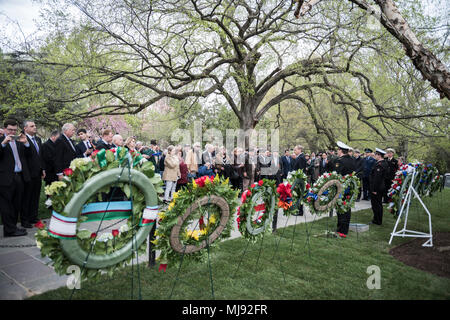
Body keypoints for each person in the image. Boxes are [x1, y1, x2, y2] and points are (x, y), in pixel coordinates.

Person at [0, 119, 32, 237]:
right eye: (10, 130)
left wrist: (26, 143)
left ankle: (12, 228)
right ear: (4, 129)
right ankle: (9, 230)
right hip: (5, 178)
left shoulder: (18, 141)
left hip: (19, 177)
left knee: (16, 204)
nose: (12, 132)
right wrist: (3, 143)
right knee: (6, 206)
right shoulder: (1, 141)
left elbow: (28, 156)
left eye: (14, 130)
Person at [22, 120, 45, 228]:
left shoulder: (38, 139)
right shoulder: (22, 139)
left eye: (35, 125)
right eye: (32, 126)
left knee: (35, 196)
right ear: (25, 128)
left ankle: (33, 217)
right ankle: (25, 220)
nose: (35, 127)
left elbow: (39, 156)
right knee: (27, 197)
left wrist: (42, 169)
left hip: (38, 172)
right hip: (28, 173)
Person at [332, 141, 356, 237]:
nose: (337, 152)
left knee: (341, 207)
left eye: (338, 150)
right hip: (350, 186)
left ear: (340, 150)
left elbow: (337, 174)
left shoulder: (340, 161)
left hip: (341, 187)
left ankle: (341, 229)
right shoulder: (352, 160)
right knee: (347, 206)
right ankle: (344, 228)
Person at [369, 148, 389, 225]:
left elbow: (377, 179)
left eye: (376, 155)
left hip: (377, 188)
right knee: (377, 204)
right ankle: (377, 219)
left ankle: (377, 220)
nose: (375, 156)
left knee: (376, 205)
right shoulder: (381, 163)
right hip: (379, 187)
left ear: (379, 155)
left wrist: (374, 189)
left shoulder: (380, 165)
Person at [291, 145, 307, 216]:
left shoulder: (301, 158)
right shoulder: (299, 157)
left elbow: (301, 170)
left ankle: (300, 211)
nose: (294, 151)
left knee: (300, 194)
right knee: (298, 194)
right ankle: (299, 210)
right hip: (298, 178)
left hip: (300, 179)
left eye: (295, 150)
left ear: (299, 150)